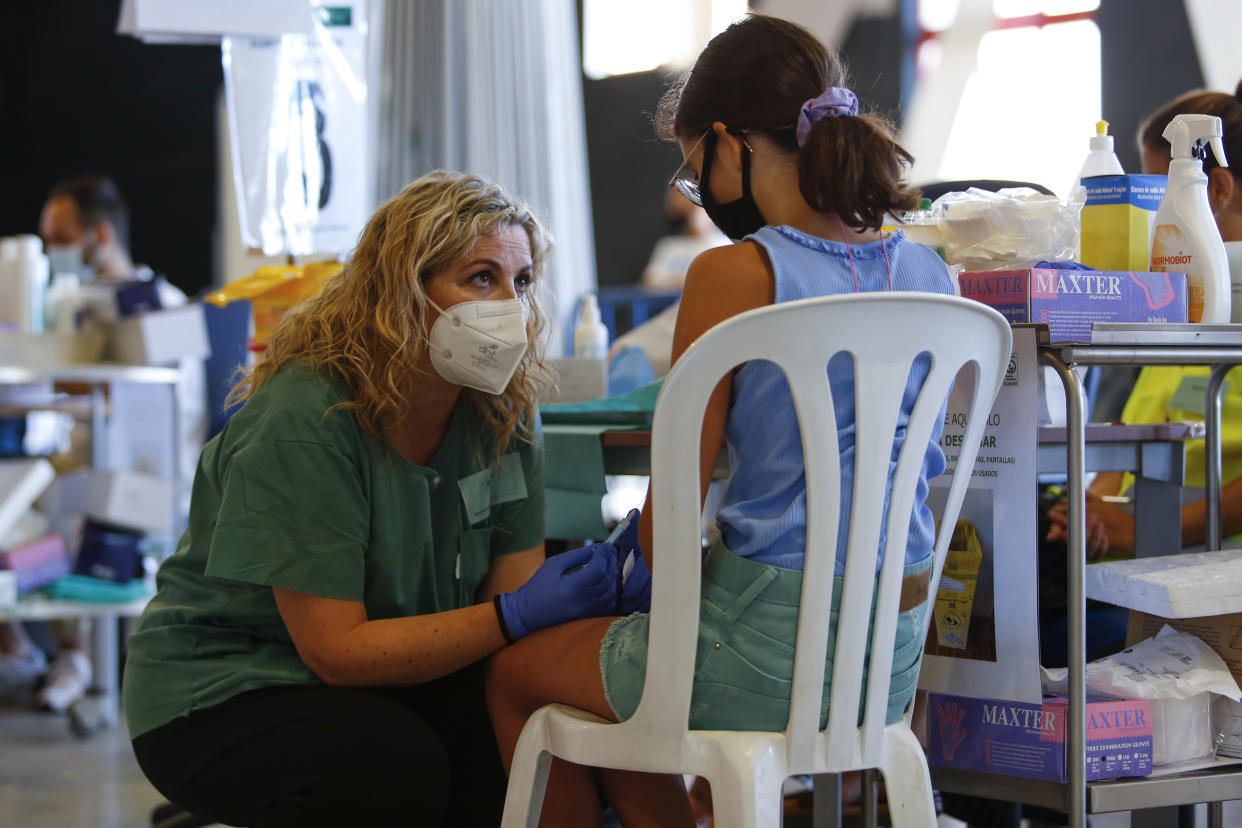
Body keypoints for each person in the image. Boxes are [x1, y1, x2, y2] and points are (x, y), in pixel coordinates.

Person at [486, 14, 956, 826]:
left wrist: (617, 575)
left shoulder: (734, 273)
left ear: (732, 144)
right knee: (623, 687)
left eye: (696, 168)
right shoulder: (931, 272)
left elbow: (672, 524)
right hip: (890, 657)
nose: (696, 190)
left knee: (519, 676)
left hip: (763, 655)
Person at [122, 171, 628, 827]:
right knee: (392, 770)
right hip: (226, 689)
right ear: (402, 289)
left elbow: (515, 617)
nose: (513, 306)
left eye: (523, 281)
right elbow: (337, 652)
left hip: (388, 679)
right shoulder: (309, 421)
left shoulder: (503, 415)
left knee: (521, 752)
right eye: (481, 278)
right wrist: (515, 615)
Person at [1045, 80, 1242, 558]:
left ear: (1214, 189)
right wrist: (1092, 508)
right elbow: (1142, 427)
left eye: (1157, 192)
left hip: (1213, 560)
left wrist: (1143, 531)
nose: (1152, 219)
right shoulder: (1184, 292)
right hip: (1152, 549)